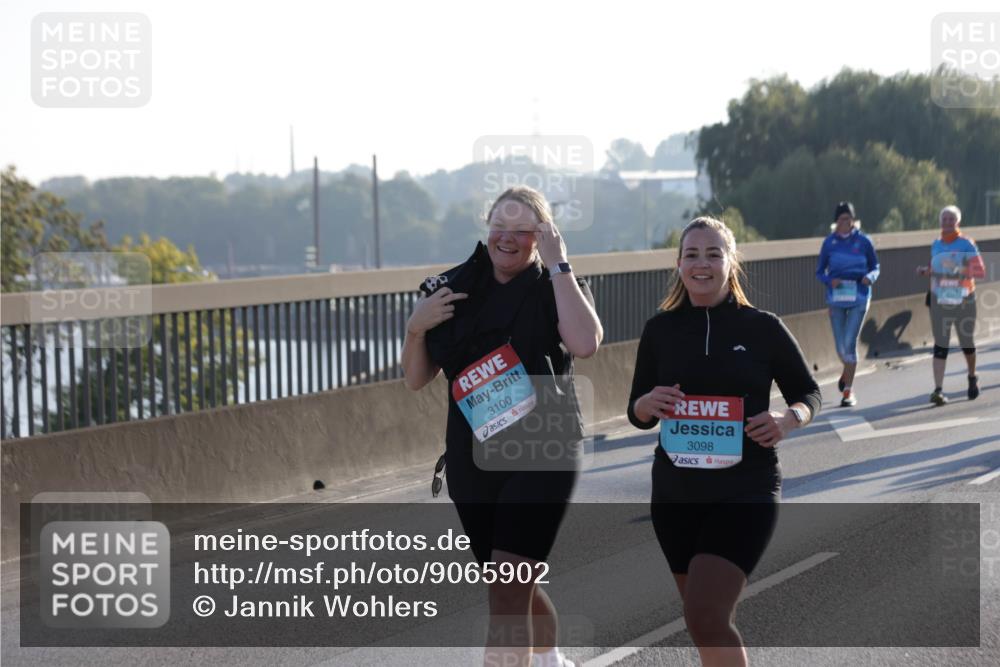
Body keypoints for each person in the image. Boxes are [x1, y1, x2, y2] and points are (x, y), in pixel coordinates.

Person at [401, 185, 602, 667]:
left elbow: (586, 342)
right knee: (509, 581)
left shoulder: (556, 283)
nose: (508, 239)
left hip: (544, 451)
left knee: (508, 592)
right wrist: (416, 326)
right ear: (486, 228)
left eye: (523, 230)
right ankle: (550, 658)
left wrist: (559, 264)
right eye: (499, 227)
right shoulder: (452, 288)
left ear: (544, 236)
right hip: (474, 457)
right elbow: (415, 378)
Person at [627, 216, 821, 667]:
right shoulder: (660, 330)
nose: (702, 264)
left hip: (745, 489)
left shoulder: (763, 327)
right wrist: (647, 403)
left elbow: (808, 392)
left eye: (714, 254)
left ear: (731, 262)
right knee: (704, 621)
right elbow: (635, 411)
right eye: (692, 254)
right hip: (675, 495)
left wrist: (788, 419)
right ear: (678, 264)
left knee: (705, 615)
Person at [916, 205, 986, 406]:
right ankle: (938, 389)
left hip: (964, 299)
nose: (946, 222)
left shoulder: (966, 244)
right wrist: (925, 270)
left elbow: (980, 271)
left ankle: (972, 376)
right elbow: (935, 268)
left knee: (966, 342)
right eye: (944, 219)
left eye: (950, 219)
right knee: (941, 343)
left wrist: (957, 268)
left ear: (958, 222)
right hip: (941, 299)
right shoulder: (936, 244)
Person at [815, 201, 880, 407]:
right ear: (836, 221)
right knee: (841, 349)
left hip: (859, 298)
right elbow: (819, 272)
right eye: (842, 218)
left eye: (849, 218)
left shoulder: (864, 241)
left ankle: (848, 392)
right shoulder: (829, 243)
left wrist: (870, 277)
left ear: (854, 220)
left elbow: (875, 266)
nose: (846, 222)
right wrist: (829, 281)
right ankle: (847, 373)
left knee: (849, 345)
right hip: (837, 300)